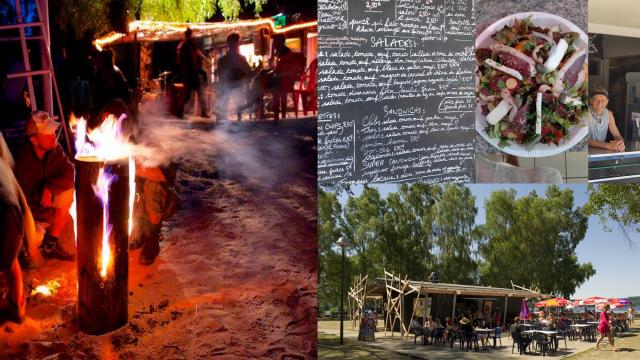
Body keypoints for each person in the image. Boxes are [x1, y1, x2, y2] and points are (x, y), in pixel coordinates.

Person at [13, 112, 75, 261]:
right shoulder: (23, 162)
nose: (54, 136)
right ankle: (24, 248)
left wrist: (49, 188)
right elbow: (20, 203)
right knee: (34, 239)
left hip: (44, 205)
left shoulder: (54, 149)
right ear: (34, 140)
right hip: (29, 214)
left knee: (68, 193)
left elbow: (70, 171)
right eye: (48, 134)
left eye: (53, 131)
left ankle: (51, 245)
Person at [0, 133, 37, 323]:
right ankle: (16, 305)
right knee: (10, 262)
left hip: (6, 206)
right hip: (9, 206)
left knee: (9, 261)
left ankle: (16, 307)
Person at [129, 162, 179, 265]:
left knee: (153, 186)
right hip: (139, 177)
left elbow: (163, 175)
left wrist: (126, 165)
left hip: (159, 184)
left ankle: (151, 238)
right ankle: (140, 234)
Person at [215, 33, 252, 121]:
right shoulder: (240, 59)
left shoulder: (222, 60)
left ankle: (222, 121)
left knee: (222, 108)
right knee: (234, 106)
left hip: (228, 88)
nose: (237, 45)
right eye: (236, 43)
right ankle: (235, 120)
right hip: (234, 87)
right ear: (235, 44)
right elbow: (249, 74)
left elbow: (219, 75)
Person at [176, 28, 210, 119]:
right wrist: (205, 59)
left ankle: (180, 111)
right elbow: (196, 52)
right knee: (200, 92)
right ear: (190, 34)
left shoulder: (181, 45)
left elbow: (180, 61)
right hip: (193, 72)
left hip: (186, 73)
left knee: (188, 95)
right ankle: (203, 112)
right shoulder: (190, 42)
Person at [271, 34, 305, 120]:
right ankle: (278, 116)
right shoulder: (279, 52)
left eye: (274, 42)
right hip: (282, 80)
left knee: (273, 88)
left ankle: (277, 117)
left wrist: (274, 74)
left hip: (284, 81)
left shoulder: (285, 53)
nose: (273, 44)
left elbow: (283, 70)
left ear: (280, 42)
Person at [92, 49, 129, 119]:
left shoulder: (113, 72)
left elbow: (116, 94)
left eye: (98, 59)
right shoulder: (100, 72)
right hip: (105, 107)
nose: (96, 61)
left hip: (115, 108)